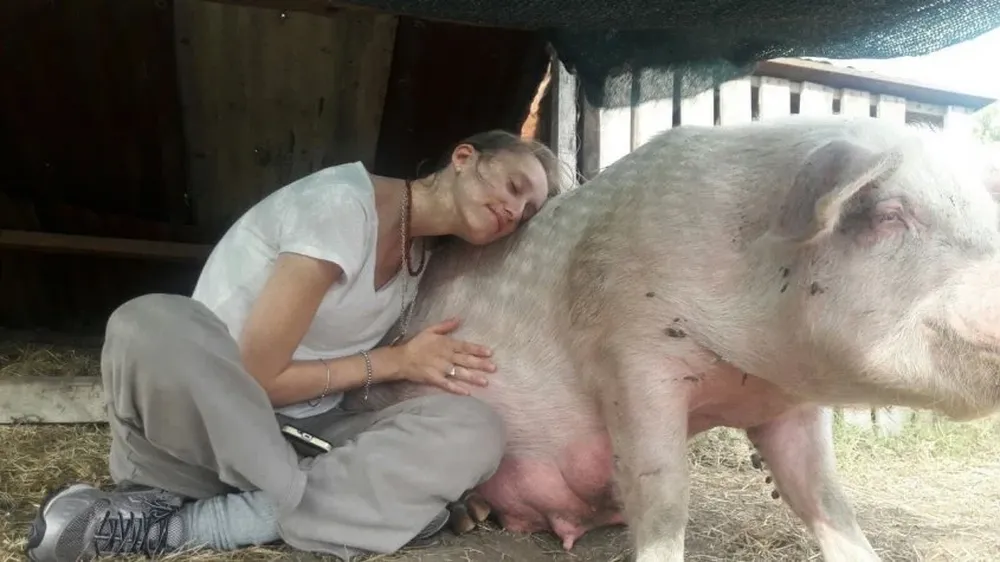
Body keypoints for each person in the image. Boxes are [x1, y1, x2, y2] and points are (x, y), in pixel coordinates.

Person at [24, 129, 564, 561]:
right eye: (515, 187)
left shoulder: (419, 258)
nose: (516, 212)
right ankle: (352, 509)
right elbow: (256, 376)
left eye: (529, 211)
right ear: (464, 157)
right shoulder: (342, 206)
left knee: (474, 429)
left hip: (301, 435)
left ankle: (182, 526)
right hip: (204, 428)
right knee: (150, 320)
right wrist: (396, 362)